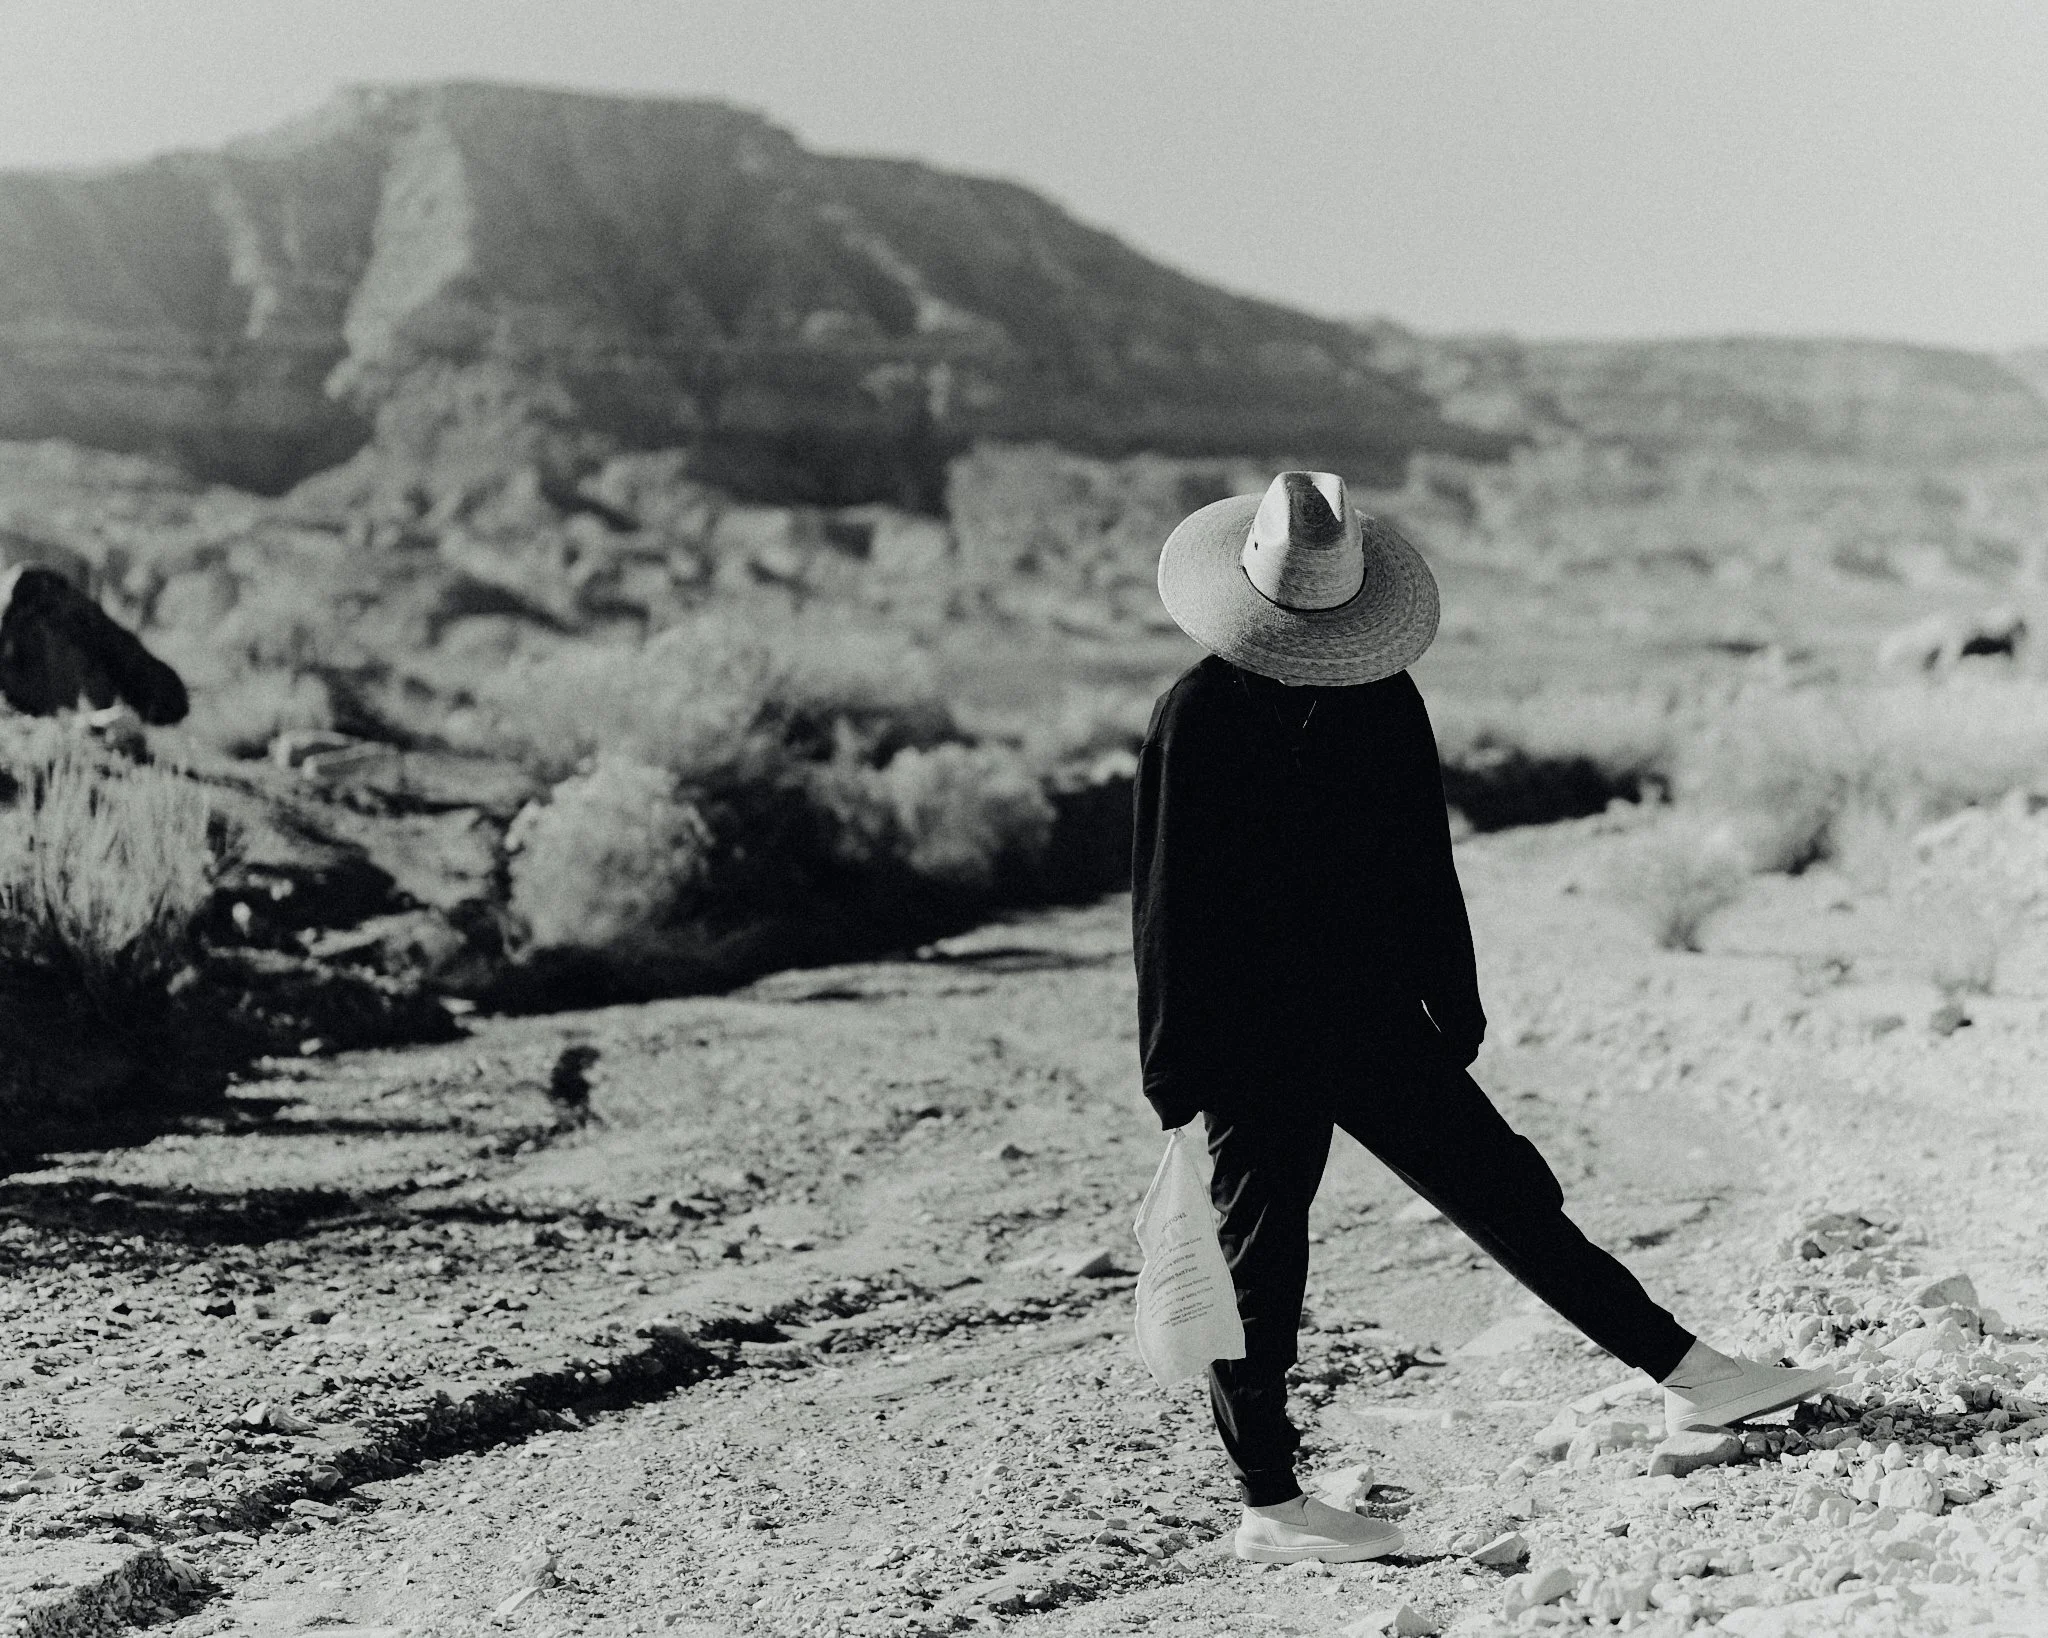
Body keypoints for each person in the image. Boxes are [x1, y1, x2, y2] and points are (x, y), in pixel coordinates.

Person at [1131, 471, 1833, 1565]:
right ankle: (1267, 1502)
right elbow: (1167, 901)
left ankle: (1693, 1381)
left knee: (1509, 1193)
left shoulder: (1381, 693)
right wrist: (1174, 1069)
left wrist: (1447, 1003)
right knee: (1257, 1264)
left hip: (1368, 1018)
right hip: (1250, 1041)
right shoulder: (1198, 712)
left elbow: (1421, 862)